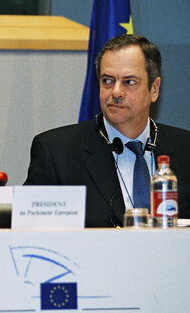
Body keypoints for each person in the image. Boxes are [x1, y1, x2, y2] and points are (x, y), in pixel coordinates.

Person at [24, 34, 190, 227]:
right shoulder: (56, 152)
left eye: (129, 82)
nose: (116, 92)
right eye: (107, 81)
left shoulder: (185, 149)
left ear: (154, 89)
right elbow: (32, 233)